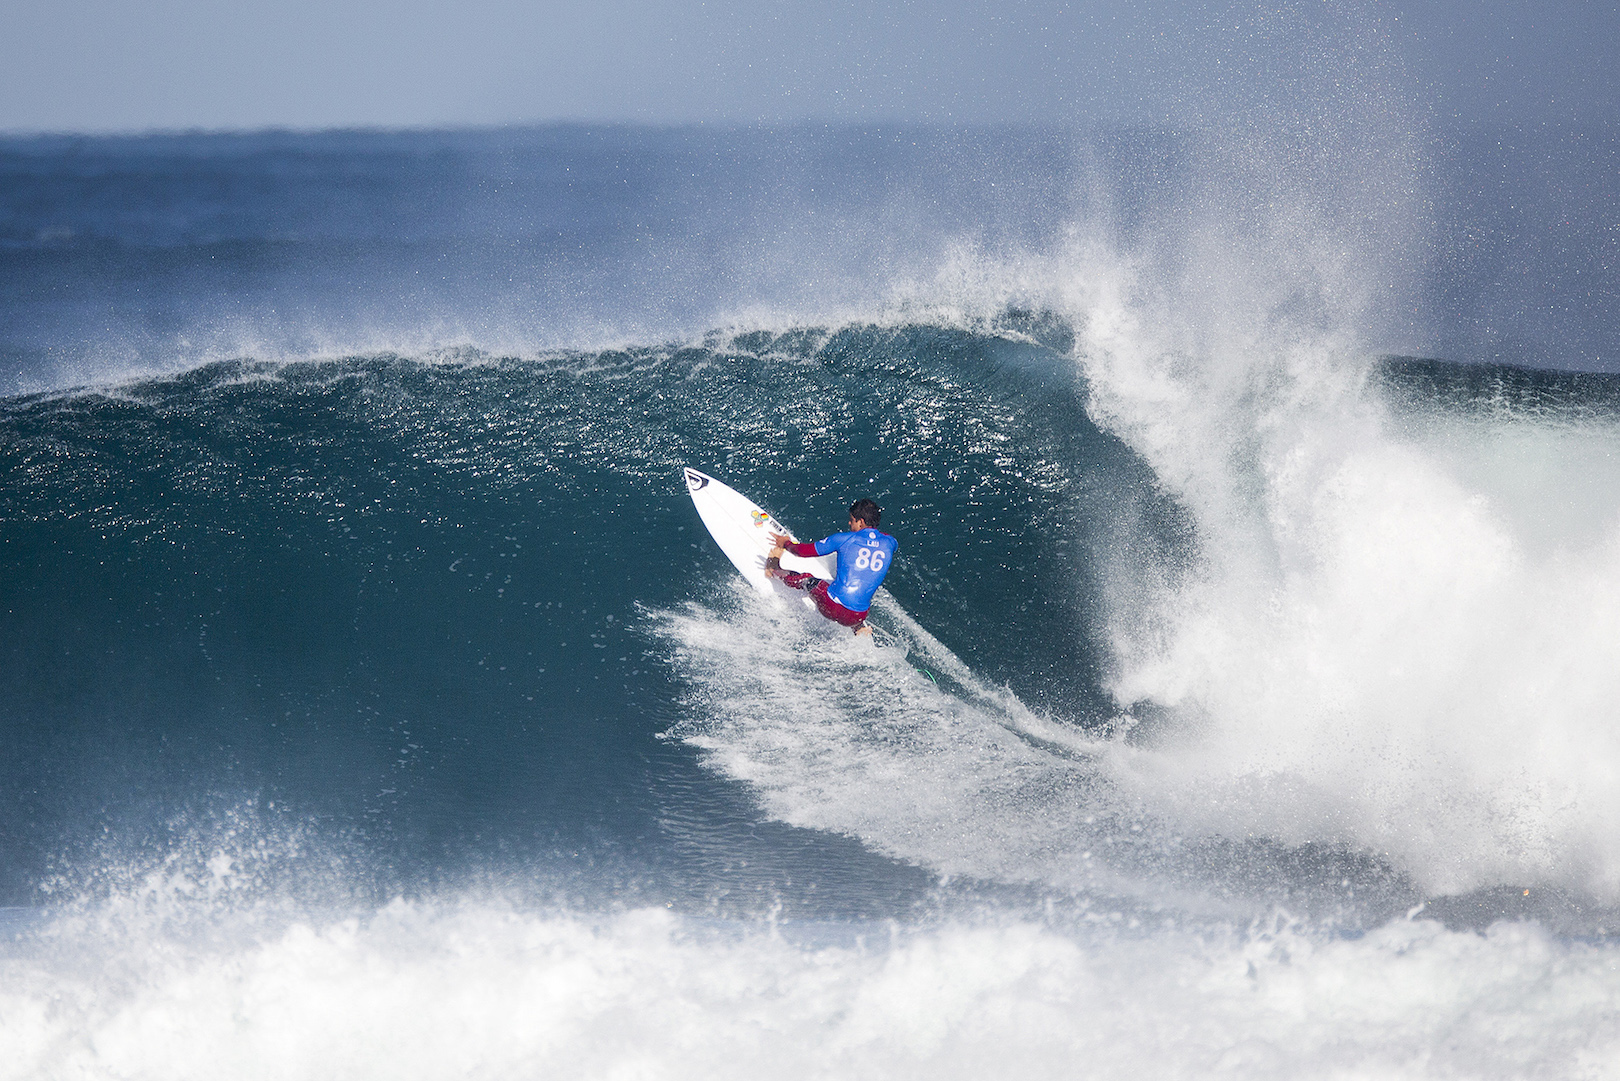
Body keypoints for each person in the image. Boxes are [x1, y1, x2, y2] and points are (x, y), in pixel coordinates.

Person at [766, 498, 897, 636]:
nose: (849, 523)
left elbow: (802, 552)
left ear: (861, 522)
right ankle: (858, 628)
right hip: (858, 616)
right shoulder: (891, 543)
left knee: (807, 580)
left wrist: (786, 543)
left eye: (852, 520)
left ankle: (773, 570)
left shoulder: (844, 539)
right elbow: (881, 539)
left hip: (832, 607)